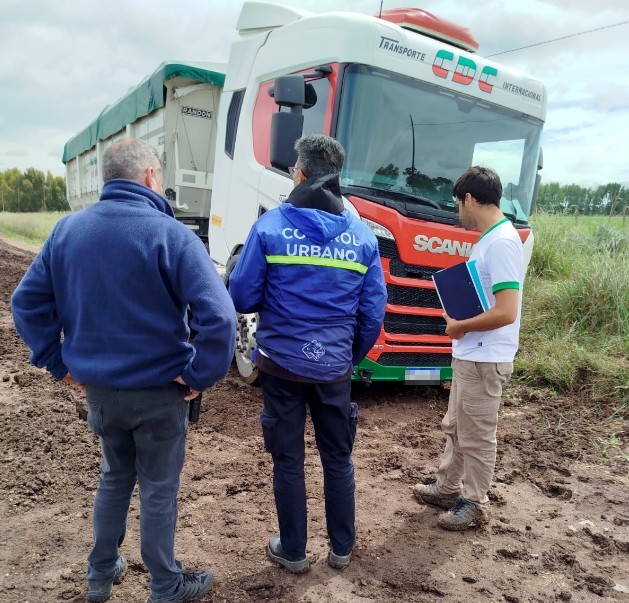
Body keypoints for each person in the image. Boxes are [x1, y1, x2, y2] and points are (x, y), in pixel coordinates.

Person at [11, 139, 237, 603]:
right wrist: (197, 375)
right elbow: (222, 317)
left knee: (114, 476)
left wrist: (58, 363)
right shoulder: (172, 235)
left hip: (100, 392)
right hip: (159, 394)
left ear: (105, 180)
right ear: (151, 176)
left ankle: (99, 576)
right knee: (158, 489)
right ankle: (165, 586)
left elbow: (26, 304)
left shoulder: (66, 231)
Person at [228, 134, 386, 572]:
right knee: (338, 457)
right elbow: (373, 314)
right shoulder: (362, 237)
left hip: (281, 367)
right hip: (334, 369)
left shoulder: (270, 227)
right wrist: (345, 357)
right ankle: (341, 549)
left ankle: (293, 552)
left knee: (288, 458)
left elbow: (241, 294)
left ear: (299, 173)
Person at [413, 166, 525, 531]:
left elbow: (506, 311)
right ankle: (447, 488)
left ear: (470, 199)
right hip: (471, 353)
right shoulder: (489, 239)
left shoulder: (503, 243)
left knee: (477, 435)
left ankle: (475, 503)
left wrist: (459, 326)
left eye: (458, 204)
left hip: (485, 357)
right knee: (457, 427)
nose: (457, 212)